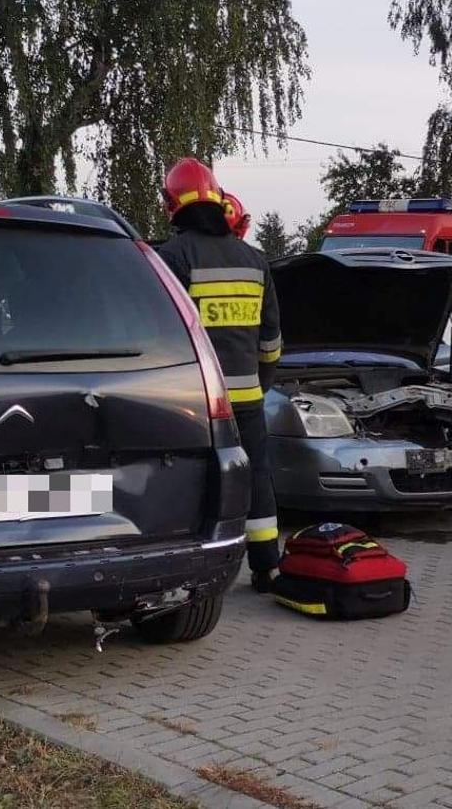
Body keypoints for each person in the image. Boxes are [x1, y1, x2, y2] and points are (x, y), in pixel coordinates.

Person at [153, 158, 284, 593]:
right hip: (248, 396)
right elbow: (271, 341)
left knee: (199, 479)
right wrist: (259, 383)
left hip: (195, 399)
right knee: (258, 475)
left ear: (173, 205)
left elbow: (165, 334)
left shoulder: (172, 257)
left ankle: (197, 569)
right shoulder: (255, 260)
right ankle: (267, 566)